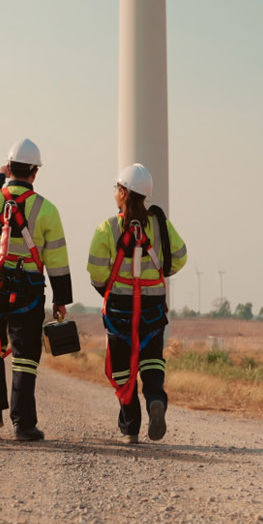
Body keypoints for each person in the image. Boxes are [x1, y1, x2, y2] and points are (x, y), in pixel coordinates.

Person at [0, 138, 70, 441]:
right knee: (25, 355)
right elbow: (58, 259)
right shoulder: (48, 210)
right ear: (36, 172)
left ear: (9, 167)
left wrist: (2, 176)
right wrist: (61, 299)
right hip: (30, 289)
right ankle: (24, 424)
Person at [84, 162, 186, 442]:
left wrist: (110, 288)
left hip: (119, 306)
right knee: (152, 359)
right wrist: (158, 273)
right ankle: (156, 399)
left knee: (121, 368)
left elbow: (95, 270)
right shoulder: (160, 224)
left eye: (117, 188)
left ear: (123, 193)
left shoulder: (107, 228)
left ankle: (130, 429)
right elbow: (180, 256)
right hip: (153, 305)